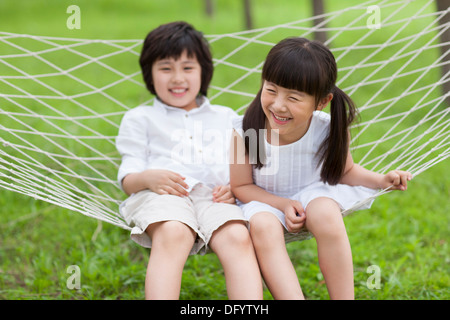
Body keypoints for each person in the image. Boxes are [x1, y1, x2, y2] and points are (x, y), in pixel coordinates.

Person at [229, 37, 412, 300]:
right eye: (271, 90)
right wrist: (281, 204)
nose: (278, 105)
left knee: (327, 213)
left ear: (321, 101)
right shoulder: (249, 130)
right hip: (263, 200)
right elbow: (241, 187)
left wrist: (382, 179)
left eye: (293, 97)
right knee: (264, 227)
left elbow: (345, 172)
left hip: (311, 192)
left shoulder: (326, 128)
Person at [116, 21, 263, 300]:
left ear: (203, 72)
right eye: (166, 68)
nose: (177, 78)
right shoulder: (140, 118)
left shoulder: (226, 117)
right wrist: (148, 178)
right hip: (161, 194)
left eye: (187, 67)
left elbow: (248, 166)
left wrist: (236, 188)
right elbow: (128, 177)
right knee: (174, 232)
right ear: (150, 73)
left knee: (237, 236)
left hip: (216, 197)